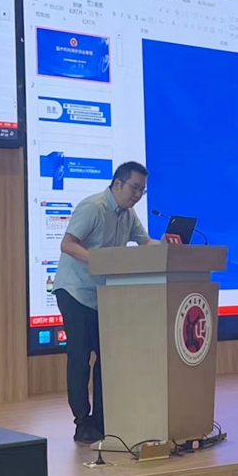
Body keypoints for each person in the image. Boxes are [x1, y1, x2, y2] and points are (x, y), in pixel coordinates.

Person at [52, 161, 160, 444]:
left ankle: (102, 419)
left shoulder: (128, 214)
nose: (137, 195)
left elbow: (145, 242)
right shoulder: (94, 207)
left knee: (107, 359)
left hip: (104, 295)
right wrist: (100, 261)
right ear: (118, 183)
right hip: (75, 291)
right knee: (80, 358)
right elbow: (68, 244)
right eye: (134, 188)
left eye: (142, 191)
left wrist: (170, 247)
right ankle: (82, 423)